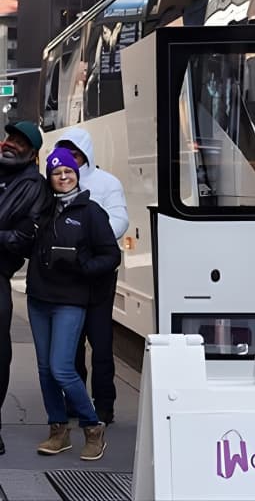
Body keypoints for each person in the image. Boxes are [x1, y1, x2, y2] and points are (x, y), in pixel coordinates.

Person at [26, 147, 120, 460]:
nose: (63, 177)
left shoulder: (91, 212)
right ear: (50, 178)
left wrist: (83, 267)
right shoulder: (43, 210)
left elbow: (111, 255)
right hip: (39, 299)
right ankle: (58, 430)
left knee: (61, 368)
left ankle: (93, 427)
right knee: (44, 369)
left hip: (71, 300)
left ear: (77, 174)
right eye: (56, 173)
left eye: (68, 171)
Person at [54, 128, 128, 425]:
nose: (71, 161)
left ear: (86, 154)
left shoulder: (107, 182)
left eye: (75, 154)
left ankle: (104, 404)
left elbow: (120, 219)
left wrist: (89, 241)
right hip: (68, 276)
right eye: (66, 154)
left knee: (101, 343)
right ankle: (75, 400)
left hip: (99, 276)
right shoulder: (56, 183)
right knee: (71, 344)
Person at [0, 121, 52, 456]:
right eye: (9, 137)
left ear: (32, 152)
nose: (9, 143)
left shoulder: (35, 188)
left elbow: (22, 239)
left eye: (19, 141)